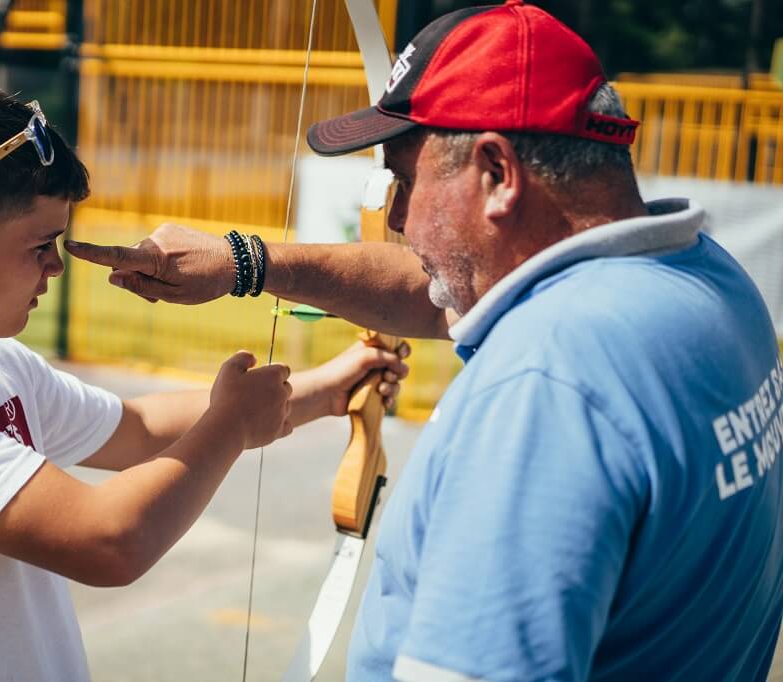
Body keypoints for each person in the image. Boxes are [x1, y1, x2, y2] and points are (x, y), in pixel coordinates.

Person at [64, 1, 783, 680]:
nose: (398, 217)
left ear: (498, 175)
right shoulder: (705, 279)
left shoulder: (545, 390)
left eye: (405, 180)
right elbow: (434, 287)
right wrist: (248, 262)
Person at [0, 79, 410, 681]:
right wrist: (232, 423)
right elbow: (111, 541)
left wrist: (327, 389)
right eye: (40, 245)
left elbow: (136, 430)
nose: (56, 266)